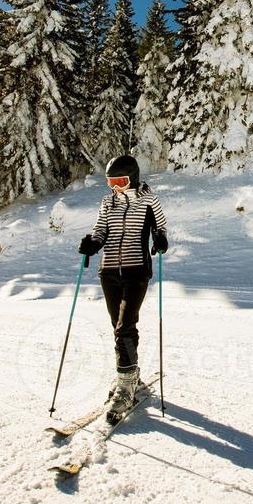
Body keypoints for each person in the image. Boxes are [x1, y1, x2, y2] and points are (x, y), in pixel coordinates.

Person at [78, 154, 168, 419]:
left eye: (120, 181)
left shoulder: (149, 200)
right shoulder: (108, 202)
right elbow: (100, 231)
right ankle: (130, 373)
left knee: (125, 326)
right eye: (111, 182)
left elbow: (160, 227)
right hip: (109, 272)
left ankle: (125, 386)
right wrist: (91, 245)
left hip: (136, 270)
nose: (115, 188)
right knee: (118, 327)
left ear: (133, 178)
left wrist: (160, 241)